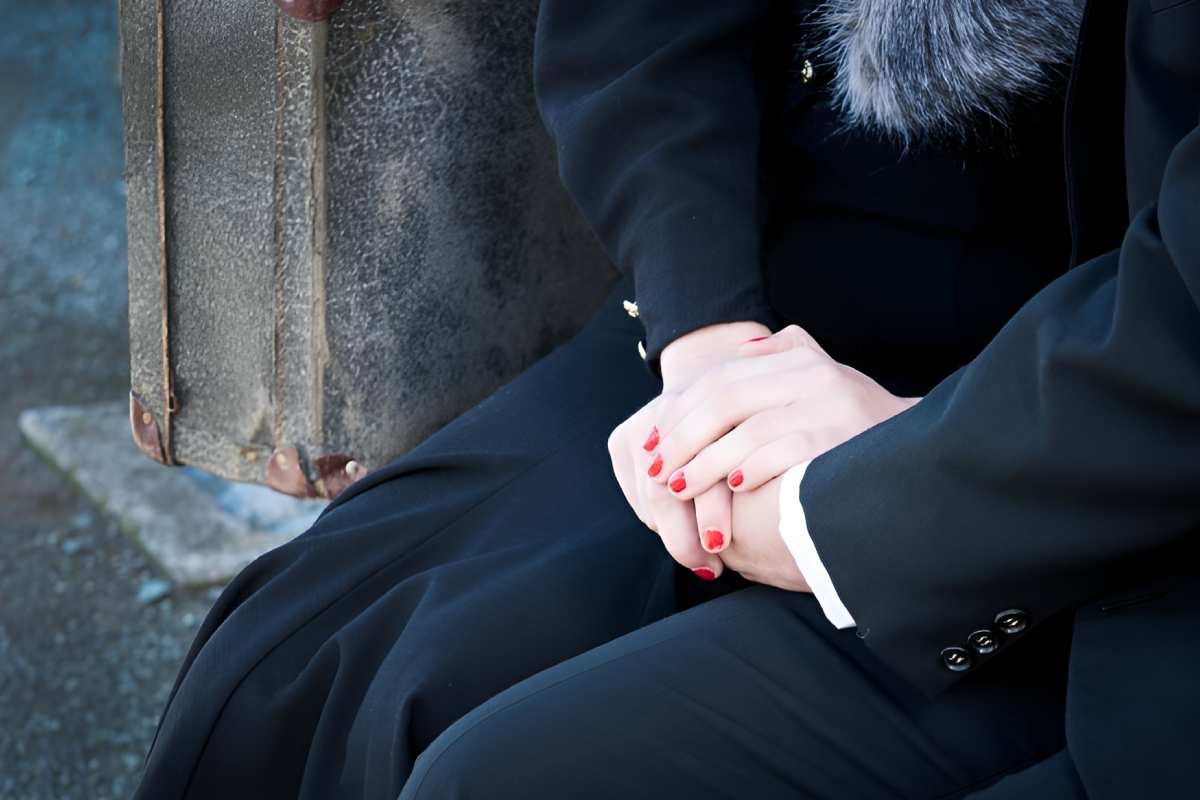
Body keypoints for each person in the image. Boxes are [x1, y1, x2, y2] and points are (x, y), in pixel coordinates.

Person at [134, 1, 1199, 798]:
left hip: (1065, 398)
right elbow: (643, 30)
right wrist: (705, 342)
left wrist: (857, 508)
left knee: (501, 774)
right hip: (754, 303)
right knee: (295, 667)